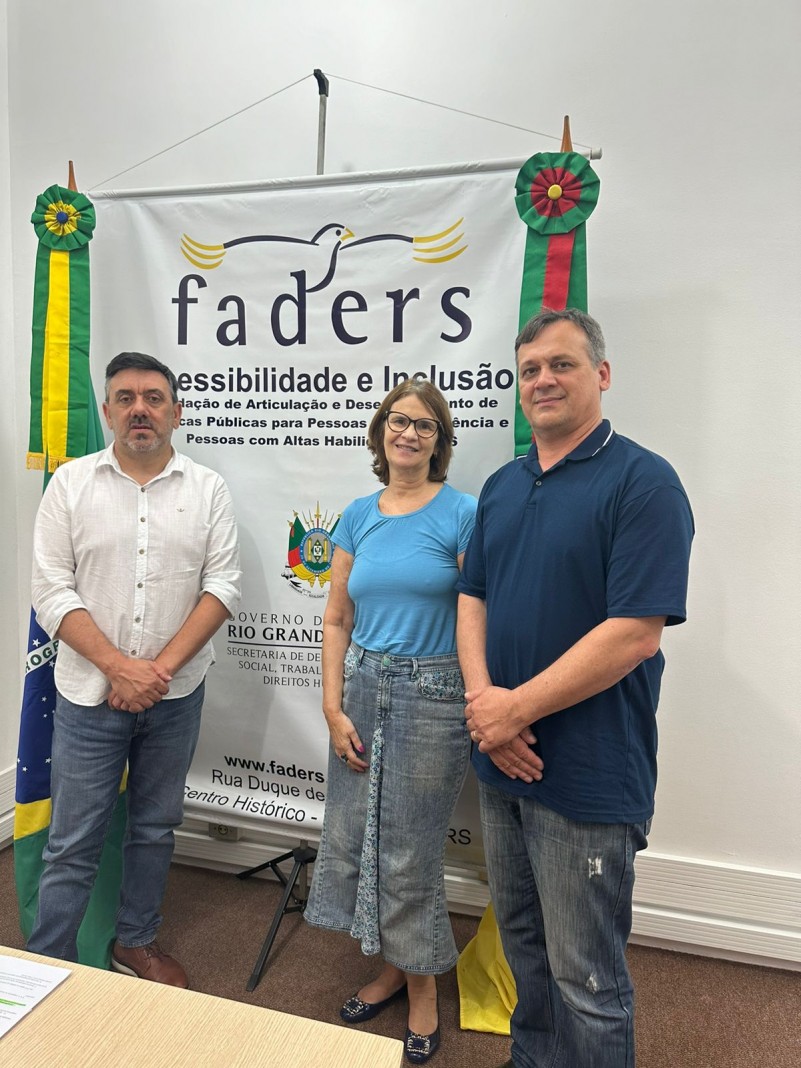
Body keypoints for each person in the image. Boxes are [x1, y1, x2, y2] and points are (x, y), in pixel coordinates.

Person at [457, 309, 694, 1068]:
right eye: (528, 370)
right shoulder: (501, 484)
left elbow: (635, 630)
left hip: (587, 769)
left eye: (560, 364)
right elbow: (472, 597)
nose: (542, 381)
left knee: (585, 978)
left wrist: (512, 709)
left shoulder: (643, 481)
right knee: (525, 951)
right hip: (500, 757)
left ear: (601, 374)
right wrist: (483, 707)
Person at [28, 351, 241, 988]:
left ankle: (136, 941)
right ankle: (47, 962)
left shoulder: (208, 489)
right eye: (125, 398)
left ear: (175, 411)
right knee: (73, 837)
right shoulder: (70, 484)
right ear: (108, 411)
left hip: (176, 696)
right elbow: (51, 591)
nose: (139, 409)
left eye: (153, 397)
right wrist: (120, 668)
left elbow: (224, 586)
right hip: (89, 694)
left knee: (154, 826)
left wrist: (156, 672)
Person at [305, 380, 477, 1064]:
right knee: (357, 841)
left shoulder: (462, 514)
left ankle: (424, 989)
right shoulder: (357, 514)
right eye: (398, 422)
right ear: (380, 433)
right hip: (364, 687)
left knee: (408, 855)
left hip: (433, 693)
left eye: (425, 426)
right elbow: (336, 617)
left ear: (439, 442)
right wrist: (329, 705)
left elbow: (476, 614)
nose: (408, 434)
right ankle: (390, 969)